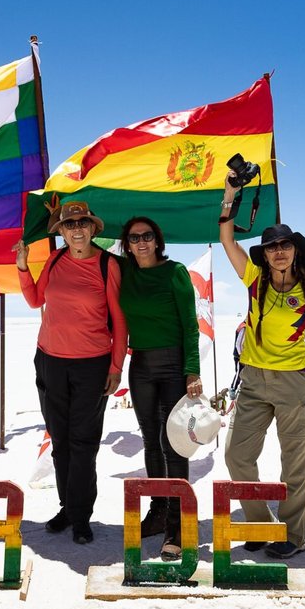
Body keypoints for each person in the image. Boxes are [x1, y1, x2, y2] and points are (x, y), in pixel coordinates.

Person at [216, 175, 305, 560]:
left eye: (284, 245)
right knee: (237, 456)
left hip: (295, 386)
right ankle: (258, 524)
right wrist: (230, 195)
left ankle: (291, 535)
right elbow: (227, 239)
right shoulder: (254, 281)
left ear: (295, 251)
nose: (278, 252)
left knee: (295, 467)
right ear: (265, 255)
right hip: (254, 381)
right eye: (271, 247)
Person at [15, 200, 128, 545]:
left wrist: (115, 366)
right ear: (61, 231)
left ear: (93, 228)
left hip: (91, 365)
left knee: (84, 442)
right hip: (50, 360)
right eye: (69, 224)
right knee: (60, 441)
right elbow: (35, 300)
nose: (76, 229)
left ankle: (81, 515)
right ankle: (67, 506)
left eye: (82, 223)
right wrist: (22, 267)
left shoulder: (109, 264)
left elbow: (120, 322)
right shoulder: (56, 259)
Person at [117, 215, 201, 562]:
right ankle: (158, 509)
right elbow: (84, 245)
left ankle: (177, 526)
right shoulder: (125, 272)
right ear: (127, 243)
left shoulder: (175, 272)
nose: (141, 242)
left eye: (147, 236)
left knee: (175, 443)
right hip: (140, 366)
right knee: (150, 440)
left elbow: (190, 325)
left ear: (157, 240)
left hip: (172, 365)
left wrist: (191, 371)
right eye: (134, 237)